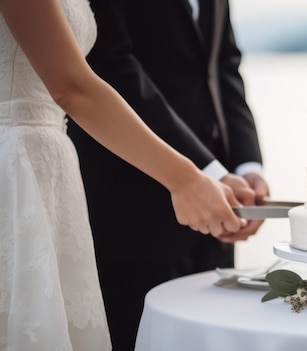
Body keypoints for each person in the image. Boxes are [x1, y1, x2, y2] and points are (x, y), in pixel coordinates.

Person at [0, 0, 252, 349]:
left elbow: (223, 63)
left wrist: (235, 167)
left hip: (55, 174)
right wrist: (186, 178)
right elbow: (74, 86)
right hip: (17, 173)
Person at [66, 0, 269, 350]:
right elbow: (112, 66)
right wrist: (208, 172)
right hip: (129, 205)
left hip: (219, 212)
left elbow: (223, 63)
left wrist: (246, 166)